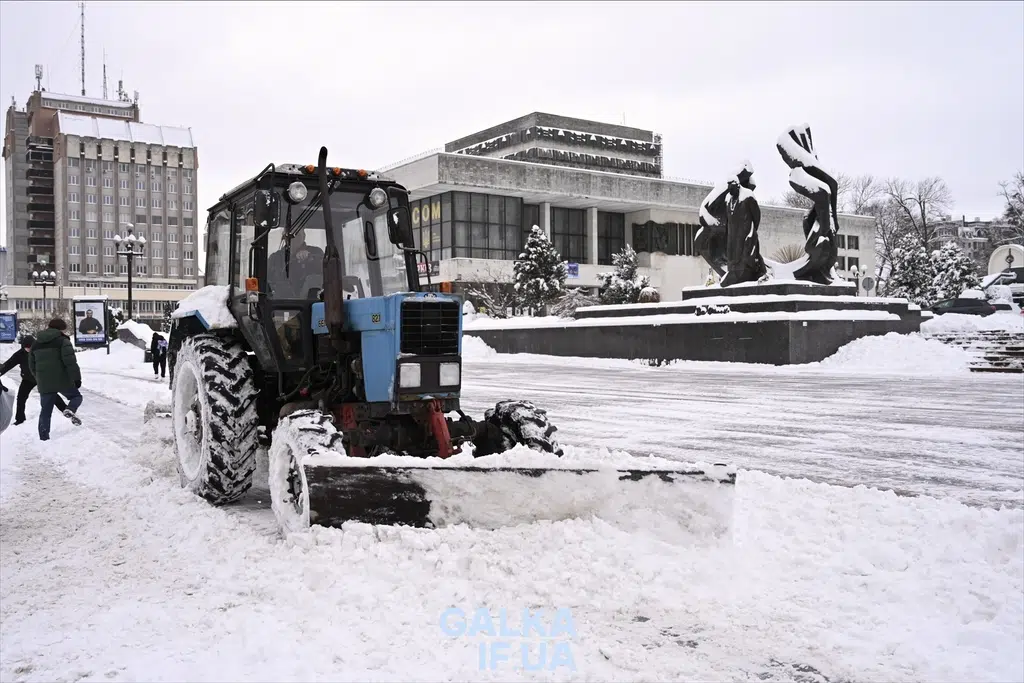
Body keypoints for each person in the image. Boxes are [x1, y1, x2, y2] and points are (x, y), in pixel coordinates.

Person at [29, 318, 84, 441]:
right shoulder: (63, 341)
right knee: (76, 397)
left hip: (45, 382)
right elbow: (70, 362)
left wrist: (39, 378)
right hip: (62, 380)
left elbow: (31, 365)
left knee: (45, 411)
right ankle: (70, 409)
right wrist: (76, 378)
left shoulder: (35, 344)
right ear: (60, 329)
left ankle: (44, 437)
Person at [0, 334, 71, 426]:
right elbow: (8, 364)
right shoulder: (19, 354)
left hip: (42, 378)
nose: (29, 349)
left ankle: (66, 410)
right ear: (23, 347)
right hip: (27, 379)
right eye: (27, 347)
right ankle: (20, 419)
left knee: (52, 395)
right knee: (21, 398)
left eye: (30, 347)